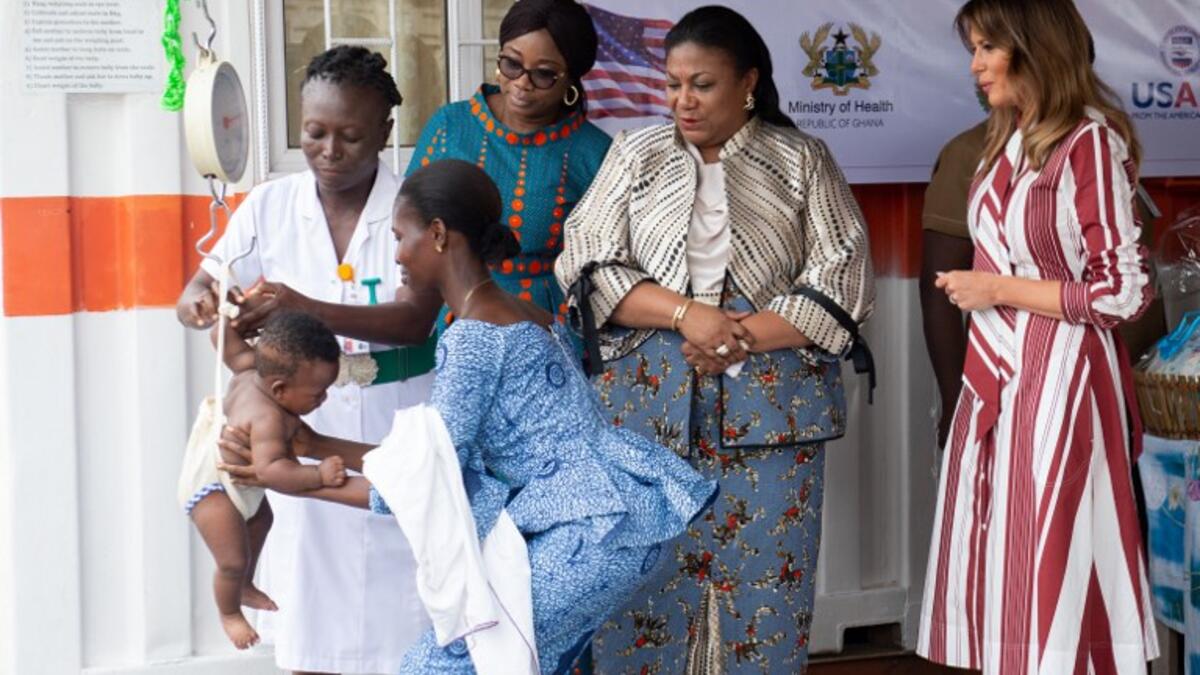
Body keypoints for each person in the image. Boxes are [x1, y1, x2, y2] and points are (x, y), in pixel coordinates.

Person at [221, 159, 719, 674]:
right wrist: (314, 443)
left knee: (431, 668)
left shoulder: (473, 338)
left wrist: (280, 478)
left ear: (437, 235)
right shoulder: (524, 313)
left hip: (587, 536)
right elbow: (428, 461)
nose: (396, 256)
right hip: (625, 523)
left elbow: (428, 486)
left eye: (400, 237)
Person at [555, 6, 875, 672]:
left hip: (772, 414)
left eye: (701, 84)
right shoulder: (635, 154)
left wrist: (738, 334)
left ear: (748, 82)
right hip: (645, 414)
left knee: (765, 594)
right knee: (640, 593)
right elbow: (584, 261)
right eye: (673, 84)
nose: (682, 100)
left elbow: (843, 281)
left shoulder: (802, 161)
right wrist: (687, 316)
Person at [174, 45, 441, 675]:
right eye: (314, 132)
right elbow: (202, 286)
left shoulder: (414, 208)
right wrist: (199, 303)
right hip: (292, 434)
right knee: (306, 619)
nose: (329, 149)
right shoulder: (269, 205)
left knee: (402, 614)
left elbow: (414, 319)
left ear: (385, 131)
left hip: (389, 420)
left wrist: (309, 307)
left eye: (350, 135)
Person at [917, 1, 1158, 672]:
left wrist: (996, 289)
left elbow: (1125, 290)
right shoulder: (1005, 140)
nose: (975, 65)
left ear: (1034, 48)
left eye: (988, 47)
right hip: (996, 377)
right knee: (1003, 565)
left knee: (1055, 560)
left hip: (1063, 381)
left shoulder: (1090, 142)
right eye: (973, 47)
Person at [407, 0, 611, 332]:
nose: (522, 83)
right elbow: (411, 224)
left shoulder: (594, 153)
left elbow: (605, 264)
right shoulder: (450, 127)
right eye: (512, 64)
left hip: (549, 328)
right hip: (459, 319)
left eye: (544, 74)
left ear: (571, 79)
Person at [179, 312, 347, 650]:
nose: (323, 399)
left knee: (262, 519)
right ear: (280, 390)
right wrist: (318, 473)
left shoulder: (249, 369)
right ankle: (229, 612)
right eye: (317, 394)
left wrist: (228, 318)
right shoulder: (268, 417)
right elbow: (272, 472)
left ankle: (244, 585)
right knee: (231, 560)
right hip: (213, 487)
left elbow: (220, 338)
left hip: (238, 484)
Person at [920, 121, 986, 448]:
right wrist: (956, 401)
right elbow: (939, 287)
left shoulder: (1109, 136)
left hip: (1129, 382)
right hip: (1021, 380)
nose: (978, 66)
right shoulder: (975, 152)